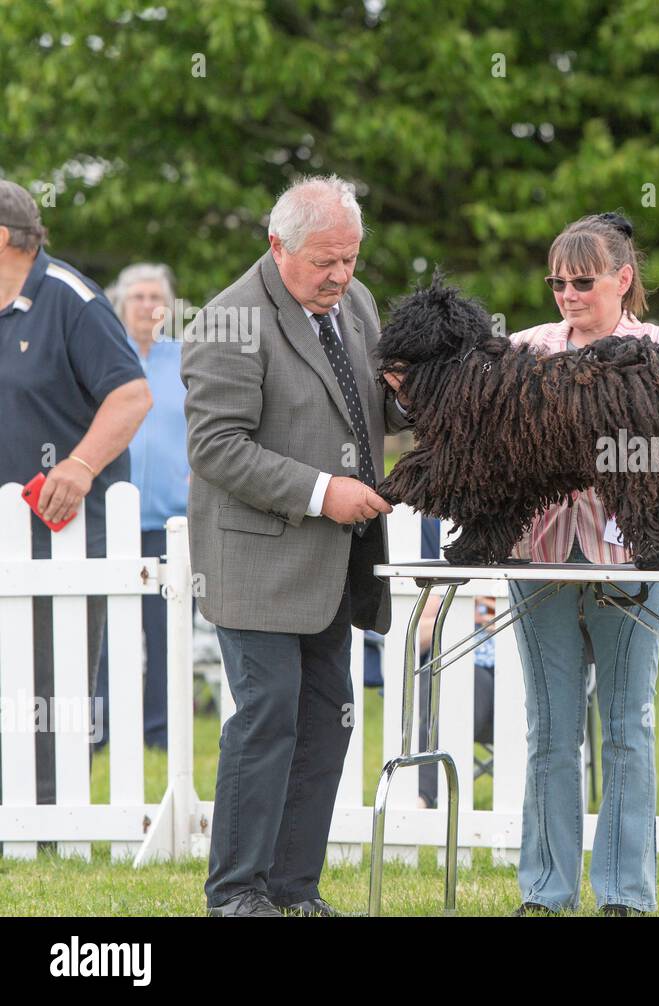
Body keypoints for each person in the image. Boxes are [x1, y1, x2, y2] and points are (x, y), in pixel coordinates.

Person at [184, 175, 412, 917]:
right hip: (255, 563)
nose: (341, 277)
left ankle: (292, 890)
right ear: (277, 244)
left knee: (327, 716)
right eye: (326, 262)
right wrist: (323, 492)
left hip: (334, 565)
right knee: (267, 716)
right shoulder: (227, 322)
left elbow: (367, 403)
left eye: (350, 259)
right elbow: (217, 447)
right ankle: (236, 893)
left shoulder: (359, 303)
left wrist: (407, 396)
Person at [502, 211, 659, 916]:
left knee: (626, 727)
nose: (568, 294)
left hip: (631, 557)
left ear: (623, 279)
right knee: (550, 730)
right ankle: (546, 893)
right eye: (558, 282)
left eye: (583, 281)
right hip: (541, 557)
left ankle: (625, 894)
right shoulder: (524, 347)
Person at [0, 181, 151, 810]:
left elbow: (132, 394)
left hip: (64, 532)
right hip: (8, 535)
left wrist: (82, 464)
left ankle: (48, 811)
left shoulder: (71, 299)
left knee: (49, 683)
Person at [94, 263, 188, 752]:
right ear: (120, 305)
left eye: (156, 296)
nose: (148, 304)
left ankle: (159, 733)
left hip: (173, 523)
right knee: (107, 632)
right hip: (114, 520)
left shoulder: (186, 360)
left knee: (168, 632)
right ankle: (102, 728)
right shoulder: (107, 359)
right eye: (137, 297)